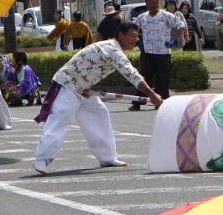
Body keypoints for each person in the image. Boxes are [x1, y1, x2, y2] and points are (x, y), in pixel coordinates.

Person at [33, 21, 162, 175]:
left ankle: (107, 156)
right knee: (60, 119)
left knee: (99, 112)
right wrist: (152, 95)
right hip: (67, 85)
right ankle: (41, 159)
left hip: (82, 88)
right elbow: (132, 75)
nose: (136, 40)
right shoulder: (113, 50)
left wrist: (85, 84)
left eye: (138, 36)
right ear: (121, 35)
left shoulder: (112, 47)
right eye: (133, 36)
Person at [129, 0, 187, 110]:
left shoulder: (166, 16)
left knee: (162, 79)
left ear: (158, 3)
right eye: (149, 3)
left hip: (163, 53)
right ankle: (138, 102)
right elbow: (132, 29)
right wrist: (137, 41)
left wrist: (175, 41)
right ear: (146, 4)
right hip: (147, 53)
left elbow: (181, 26)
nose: (152, 5)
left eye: (154, 3)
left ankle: (161, 103)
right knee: (144, 78)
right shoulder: (142, 17)